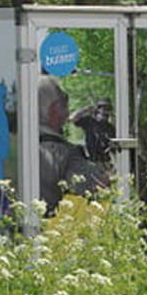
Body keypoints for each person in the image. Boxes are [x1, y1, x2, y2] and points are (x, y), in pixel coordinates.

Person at [38, 77, 108, 216]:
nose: (105, 112)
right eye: (64, 104)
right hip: (45, 229)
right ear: (54, 110)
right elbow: (99, 184)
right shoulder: (65, 153)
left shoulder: (13, 147)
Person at [70, 98, 115, 167]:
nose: (104, 112)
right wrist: (85, 110)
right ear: (97, 110)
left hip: (105, 163)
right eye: (102, 108)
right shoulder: (89, 121)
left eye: (107, 109)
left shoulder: (110, 128)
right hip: (89, 161)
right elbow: (72, 118)